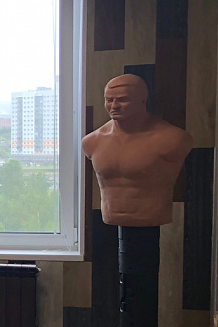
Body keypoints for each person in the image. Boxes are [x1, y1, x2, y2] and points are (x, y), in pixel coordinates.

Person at [82, 73, 193, 226]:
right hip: (111, 218)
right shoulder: (92, 141)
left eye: (122, 99)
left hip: (153, 218)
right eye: (109, 100)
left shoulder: (172, 139)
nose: (114, 106)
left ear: (142, 101)